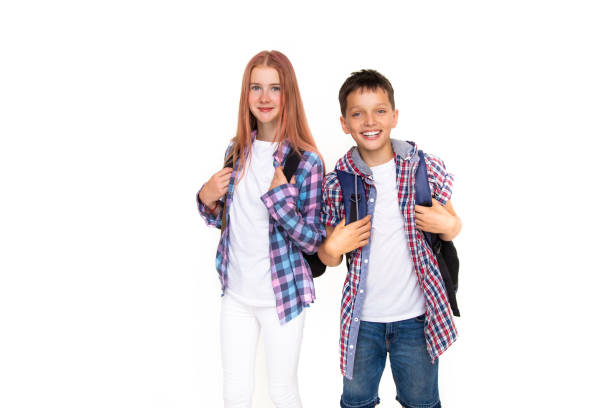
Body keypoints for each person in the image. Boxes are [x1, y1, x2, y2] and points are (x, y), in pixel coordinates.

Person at [318, 69, 462, 408]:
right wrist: (333, 246)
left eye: (380, 110)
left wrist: (448, 224)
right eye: (358, 113)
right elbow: (329, 257)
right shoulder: (337, 183)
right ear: (344, 123)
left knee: (421, 402)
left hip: (416, 320)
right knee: (356, 402)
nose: (370, 121)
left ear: (394, 116)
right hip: (362, 322)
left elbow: (453, 226)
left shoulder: (423, 168)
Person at [197, 50, 325, 408]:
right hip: (236, 293)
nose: (265, 98)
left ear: (289, 95)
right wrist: (206, 199)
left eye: (275, 88)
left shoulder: (305, 161)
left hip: (281, 298)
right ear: (246, 93)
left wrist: (281, 202)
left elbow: (315, 239)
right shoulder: (236, 152)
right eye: (256, 88)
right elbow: (226, 220)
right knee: (235, 392)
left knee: (282, 391)